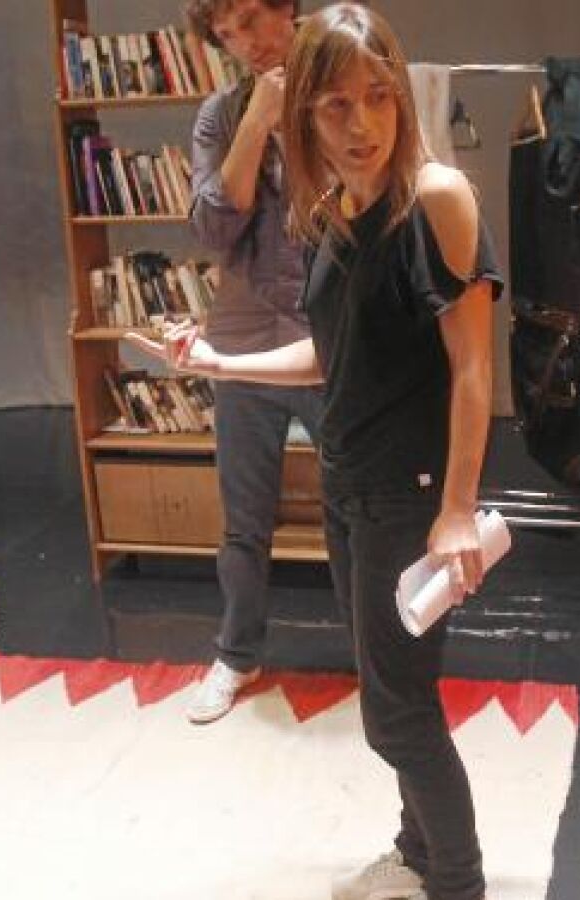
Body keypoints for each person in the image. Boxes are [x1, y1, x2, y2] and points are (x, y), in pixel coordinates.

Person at [128, 5, 500, 897]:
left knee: (397, 716)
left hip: (409, 496)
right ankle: (416, 851)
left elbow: (474, 369)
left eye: (378, 96)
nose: (361, 123)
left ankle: (459, 883)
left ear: (401, 97)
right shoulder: (331, 210)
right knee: (388, 691)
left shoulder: (437, 198)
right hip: (348, 486)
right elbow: (330, 354)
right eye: (335, 105)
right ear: (304, 116)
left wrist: (455, 508)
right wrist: (220, 362)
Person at [180, 0, 328, 725]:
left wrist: (293, 116)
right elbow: (213, 228)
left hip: (329, 330)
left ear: (286, 8)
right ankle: (237, 654)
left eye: (250, 19)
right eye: (225, 33)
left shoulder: (341, 84)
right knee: (243, 518)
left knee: (359, 506)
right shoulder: (219, 113)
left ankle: (387, 652)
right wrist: (256, 122)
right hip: (241, 335)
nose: (244, 42)